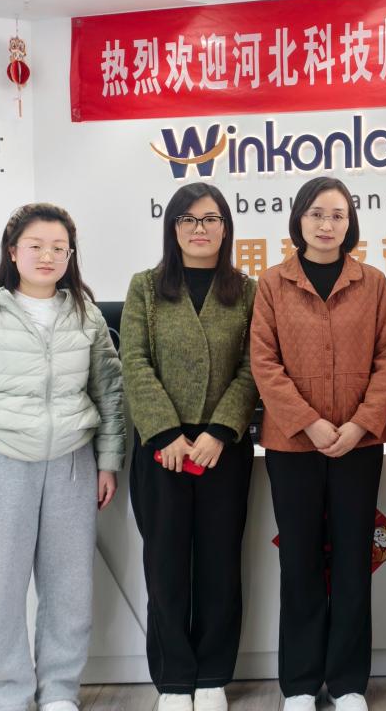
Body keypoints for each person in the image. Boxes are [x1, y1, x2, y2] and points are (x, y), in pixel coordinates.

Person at [0, 203, 124, 711]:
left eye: (59, 248)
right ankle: (8, 693)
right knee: (1, 590)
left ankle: (60, 690)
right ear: (13, 251)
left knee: (69, 589)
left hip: (72, 462)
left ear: (70, 255)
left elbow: (109, 392)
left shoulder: (85, 313)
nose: (48, 256)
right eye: (36, 246)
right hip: (2, 462)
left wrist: (108, 462)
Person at [250, 176, 386, 711]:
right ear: (299, 219)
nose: (326, 224)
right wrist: (308, 422)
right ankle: (299, 684)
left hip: (358, 448)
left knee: (355, 561)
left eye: (337, 215)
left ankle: (348, 683)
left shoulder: (373, 283)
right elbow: (264, 362)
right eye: (316, 213)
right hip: (292, 447)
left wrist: (360, 425)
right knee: (300, 563)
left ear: (350, 223)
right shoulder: (272, 283)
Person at [121, 182, 259, 711]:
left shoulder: (247, 291)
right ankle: (175, 680)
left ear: (226, 228)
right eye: (188, 219)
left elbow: (253, 367)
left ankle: (213, 676)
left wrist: (221, 430)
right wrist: (164, 432)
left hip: (222, 450)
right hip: (163, 450)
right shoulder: (146, 288)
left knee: (221, 565)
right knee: (166, 565)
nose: (199, 229)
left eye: (210, 219)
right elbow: (134, 361)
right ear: (173, 227)